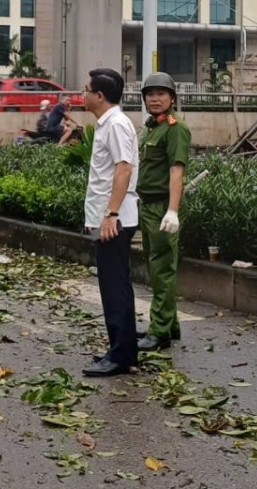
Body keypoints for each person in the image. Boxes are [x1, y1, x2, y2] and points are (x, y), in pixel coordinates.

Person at [81, 67, 139, 378]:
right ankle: (123, 349)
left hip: (114, 219)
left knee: (115, 285)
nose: (83, 94)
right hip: (110, 217)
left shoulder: (115, 124)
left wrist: (111, 214)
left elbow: (124, 169)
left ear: (99, 96)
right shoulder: (109, 123)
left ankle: (121, 355)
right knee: (114, 284)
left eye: (87, 89)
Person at [135, 72, 190, 352]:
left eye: (161, 94)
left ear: (172, 98)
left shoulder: (174, 127)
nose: (155, 99)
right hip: (147, 204)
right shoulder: (150, 128)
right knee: (157, 268)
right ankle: (170, 324)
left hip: (161, 207)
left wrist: (172, 210)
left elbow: (176, 171)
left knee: (162, 269)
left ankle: (160, 332)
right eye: (150, 94)